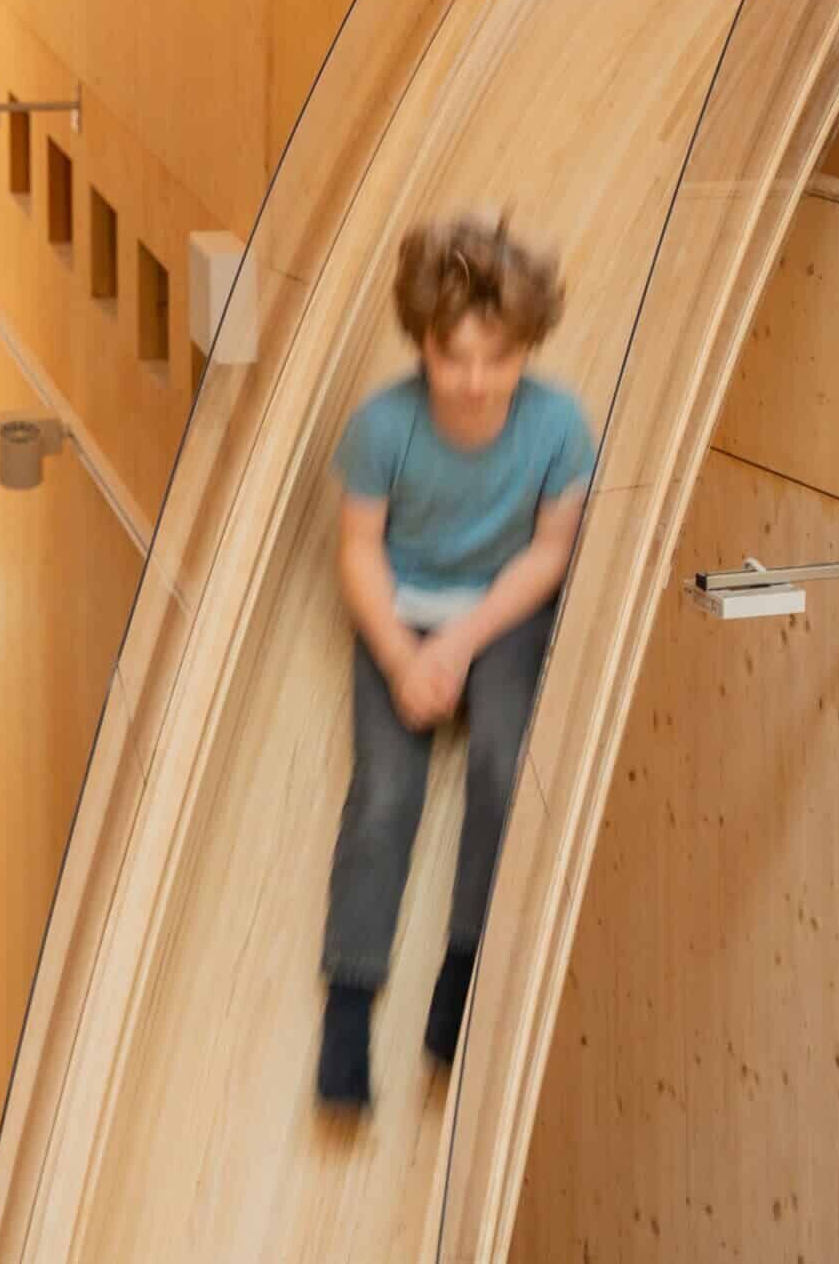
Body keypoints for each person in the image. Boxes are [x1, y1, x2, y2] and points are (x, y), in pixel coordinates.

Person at [317, 211, 595, 1109]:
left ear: (527, 346)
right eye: (452, 357)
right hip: (403, 615)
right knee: (384, 795)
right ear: (423, 344)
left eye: (498, 358)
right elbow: (358, 550)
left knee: (504, 767)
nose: (475, 381)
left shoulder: (560, 428)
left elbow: (550, 553)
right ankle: (351, 1002)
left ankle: (463, 971)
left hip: (500, 615)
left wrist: (462, 644)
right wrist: (403, 659)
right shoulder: (381, 426)